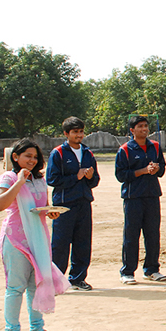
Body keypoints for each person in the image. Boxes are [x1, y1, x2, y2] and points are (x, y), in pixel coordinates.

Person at [0, 139, 69, 331]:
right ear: (15, 157)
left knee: (36, 284)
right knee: (15, 288)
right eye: (28, 156)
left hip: (38, 237)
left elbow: (40, 208)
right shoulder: (8, 177)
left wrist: (51, 213)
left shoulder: (39, 180)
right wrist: (19, 182)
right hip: (16, 239)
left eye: (35, 157)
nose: (32, 160)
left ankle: (37, 329)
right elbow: (0, 204)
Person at [46, 117, 100, 291]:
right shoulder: (59, 153)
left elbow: (95, 180)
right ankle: (56, 281)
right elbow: (52, 179)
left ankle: (78, 278)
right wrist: (75, 176)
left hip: (84, 202)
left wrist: (91, 177)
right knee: (61, 244)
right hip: (64, 204)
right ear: (66, 133)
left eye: (81, 131)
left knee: (83, 242)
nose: (79, 135)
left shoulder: (88, 153)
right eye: (75, 132)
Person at [115, 115, 166, 284]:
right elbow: (121, 175)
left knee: (152, 234)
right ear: (132, 130)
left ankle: (152, 269)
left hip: (152, 195)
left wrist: (157, 169)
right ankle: (128, 271)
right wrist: (142, 171)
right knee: (131, 235)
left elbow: (162, 168)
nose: (144, 129)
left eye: (146, 126)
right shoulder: (125, 150)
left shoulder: (156, 147)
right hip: (133, 197)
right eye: (140, 127)